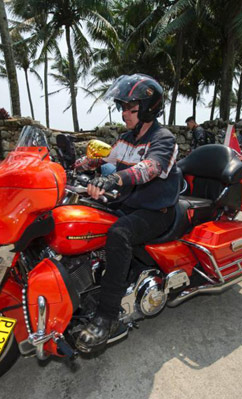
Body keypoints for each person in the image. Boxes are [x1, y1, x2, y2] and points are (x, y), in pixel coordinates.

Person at [73, 74, 179, 352]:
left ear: (148, 109)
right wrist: (77, 164)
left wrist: (114, 180)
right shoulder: (125, 139)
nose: (124, 113)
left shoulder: (164, 139)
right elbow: (105, 158)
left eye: (131, 108)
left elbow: (151, 167)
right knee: (80, 216)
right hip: (128, 204)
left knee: (118, 233)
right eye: (123, 107)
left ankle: (107, 316)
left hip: (156, 211)